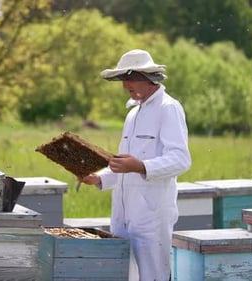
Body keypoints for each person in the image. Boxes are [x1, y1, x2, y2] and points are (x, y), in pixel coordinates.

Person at [79, 49, 191, 281]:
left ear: (147, 77)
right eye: (122, 79)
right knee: (123, 275)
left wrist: (141, 166)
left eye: (128, 78)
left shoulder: (168, 108)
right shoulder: (132, 114)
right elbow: (123, 164)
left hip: (152, 216)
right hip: (122, 214)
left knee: (153, 276)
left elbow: (180, 159)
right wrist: (99, 178)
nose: (124, 85)